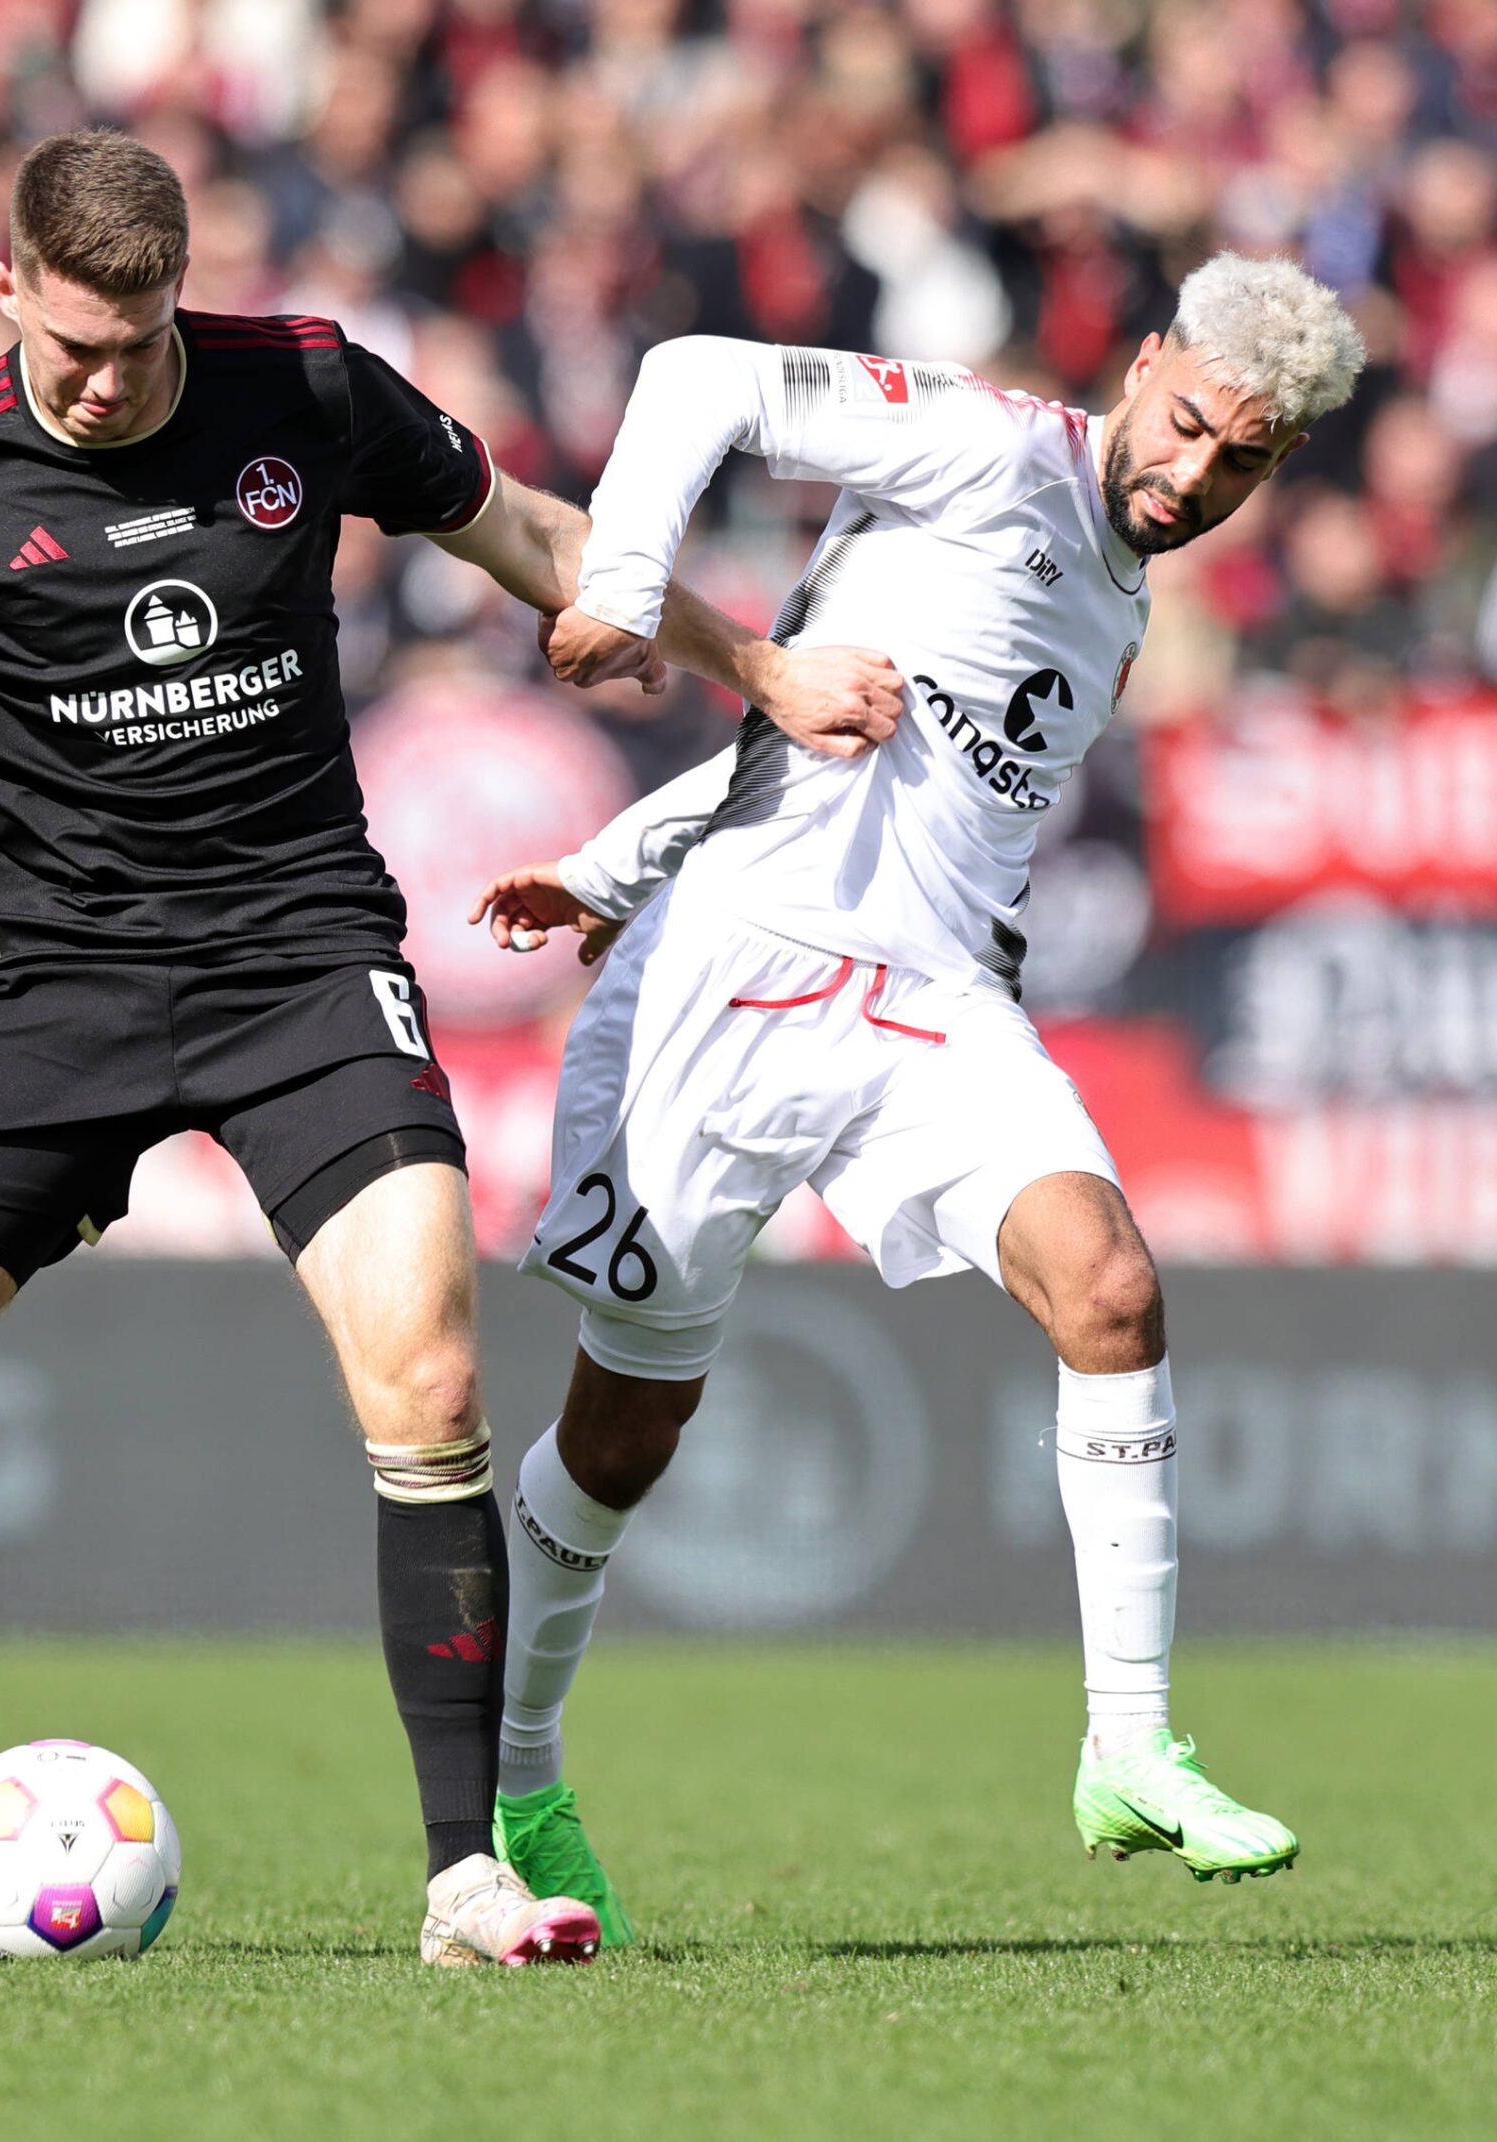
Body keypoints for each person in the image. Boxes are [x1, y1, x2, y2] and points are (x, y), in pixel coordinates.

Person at [0, 129, 881, 1964]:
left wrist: (749, 665)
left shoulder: (301, 384)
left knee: (433, 1387)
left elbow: (530, 529)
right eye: (70, 348)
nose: (107, 379)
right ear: (5, 293)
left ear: (175, 290)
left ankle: (463, 1873)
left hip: (297, 957)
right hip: (36, 991)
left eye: (136, 343)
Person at [467, 254, 1364, 1941]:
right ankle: (515, 1783)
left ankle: (1129, 1744)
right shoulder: (983, 444)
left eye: (1238, 462)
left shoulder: (1118, 612)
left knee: (1111, 1287)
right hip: (727, 989)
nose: (1190, 476)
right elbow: (692, 373)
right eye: (1183, 425)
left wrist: (611, 846)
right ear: (1147, 359)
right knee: (621, 1436)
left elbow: (886, 780)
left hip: (933, 1003)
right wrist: (641, 600)